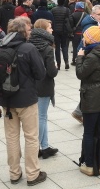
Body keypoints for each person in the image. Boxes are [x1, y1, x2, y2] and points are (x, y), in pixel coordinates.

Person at [0, 17, 47, 186]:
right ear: (22, 31)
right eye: (28, 28)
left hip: (7, 100)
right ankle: (33, 174)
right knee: (31, 137)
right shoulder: (28, 48)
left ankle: (14, 173)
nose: (30, 30)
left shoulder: (0, 45)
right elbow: (41, 73)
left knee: (11, 137)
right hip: (26, 100)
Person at [76, 25, 100, 176]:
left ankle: (89, 165)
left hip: (91, 97)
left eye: (85, 36)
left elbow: (80, 73)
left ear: (89, 40)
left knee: (89, 132)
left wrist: (79, 57)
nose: (83, 38)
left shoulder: (91, 57)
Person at [29, 19, 59, 159]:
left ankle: (45, 146)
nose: (52, 30)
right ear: (43, 30)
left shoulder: (28, 44)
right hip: (44, 85)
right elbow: (51, 72)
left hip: (31, 85)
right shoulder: (47, 47)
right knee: (41, 117)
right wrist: (55, 68)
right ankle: (36, 148)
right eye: (50, 27)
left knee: (41, 116)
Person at [51, 0, 71, 70]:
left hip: (55, 30)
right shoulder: (67, 10)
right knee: (64, 46)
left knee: (57, 47)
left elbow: (52, 19)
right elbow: (69, 19)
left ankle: (58, 64)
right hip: (64, 30)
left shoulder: (53, 10)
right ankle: (66, 61)